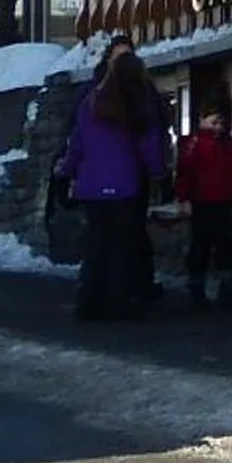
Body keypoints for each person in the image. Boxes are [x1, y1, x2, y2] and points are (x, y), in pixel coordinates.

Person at [62, 38, 170, 324]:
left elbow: (77, 144)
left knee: (96, 245)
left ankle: (88, 301)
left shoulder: (91, 103)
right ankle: (119, 301)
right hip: (125, 186)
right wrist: (159, 171)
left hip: (92, 186)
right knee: (123, 245)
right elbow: (149, 146)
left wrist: (67, 171)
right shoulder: (136, 105)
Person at [174, 102, 232, 310]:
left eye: (221, 123)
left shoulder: (227, 145)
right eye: (213, 122)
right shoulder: (195, 145)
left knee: (226, 246)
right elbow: (185, 174)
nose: (218, 127)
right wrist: (184, 198)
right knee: (201, 247)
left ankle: (225, 290)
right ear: (202, 121)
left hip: (225, 201)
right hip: (203, 202)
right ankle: (198, 290)